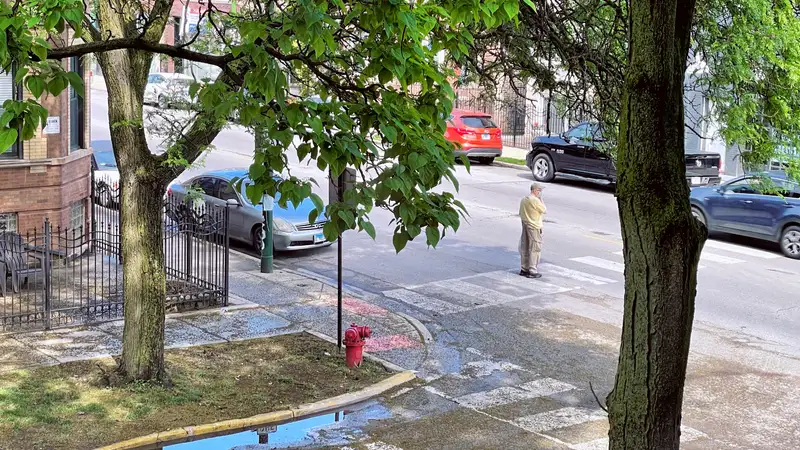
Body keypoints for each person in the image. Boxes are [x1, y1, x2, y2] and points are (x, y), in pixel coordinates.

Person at [519, 183, 547, 278]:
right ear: (534, 190)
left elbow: (521, 213)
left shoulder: (524, 199)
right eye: (539, 190)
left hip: (525, 225)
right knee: (535, 248)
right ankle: (532, 270)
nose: (540, 192)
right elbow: (544, 210)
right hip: (534, 227)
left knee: (525, 247)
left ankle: (524, 268)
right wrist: (540, 199)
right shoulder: (535, 200)